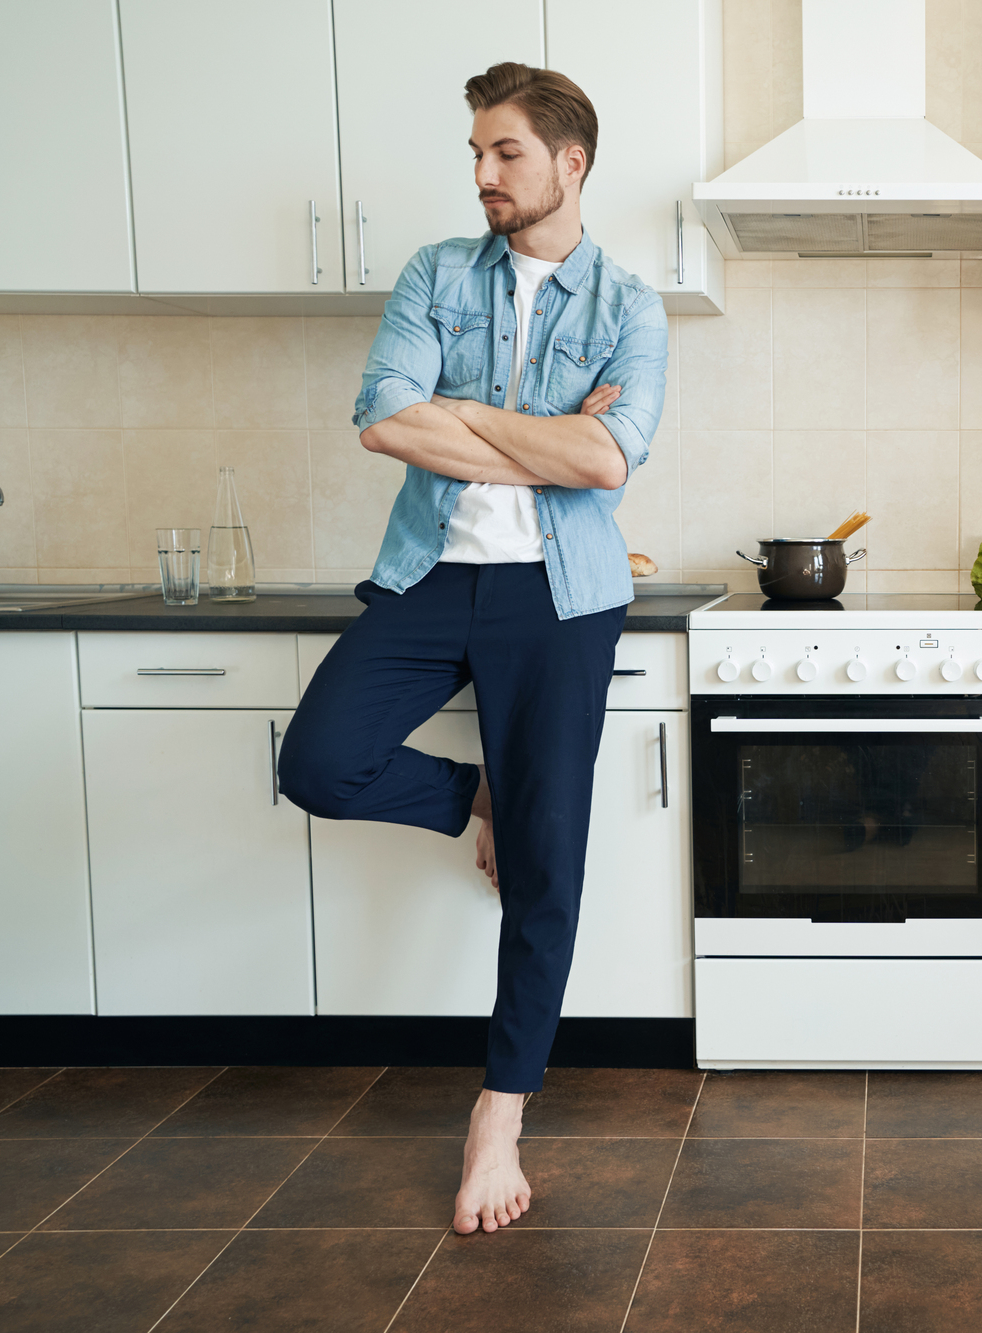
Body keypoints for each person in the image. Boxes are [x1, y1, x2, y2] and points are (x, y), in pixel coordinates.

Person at [276, 62, 667, 1234]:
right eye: (478, 155)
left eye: (505, 152)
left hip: (561, 595)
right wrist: (549, 433)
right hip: (428, 578)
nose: (485, 173)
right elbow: (381, 419)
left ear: (569, 163)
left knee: (547, 866)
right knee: (318, 760)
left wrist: (477, 426)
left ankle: (497, 1117)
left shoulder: (630, 305)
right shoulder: (437, 273)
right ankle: (477, 791)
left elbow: (610, 464)